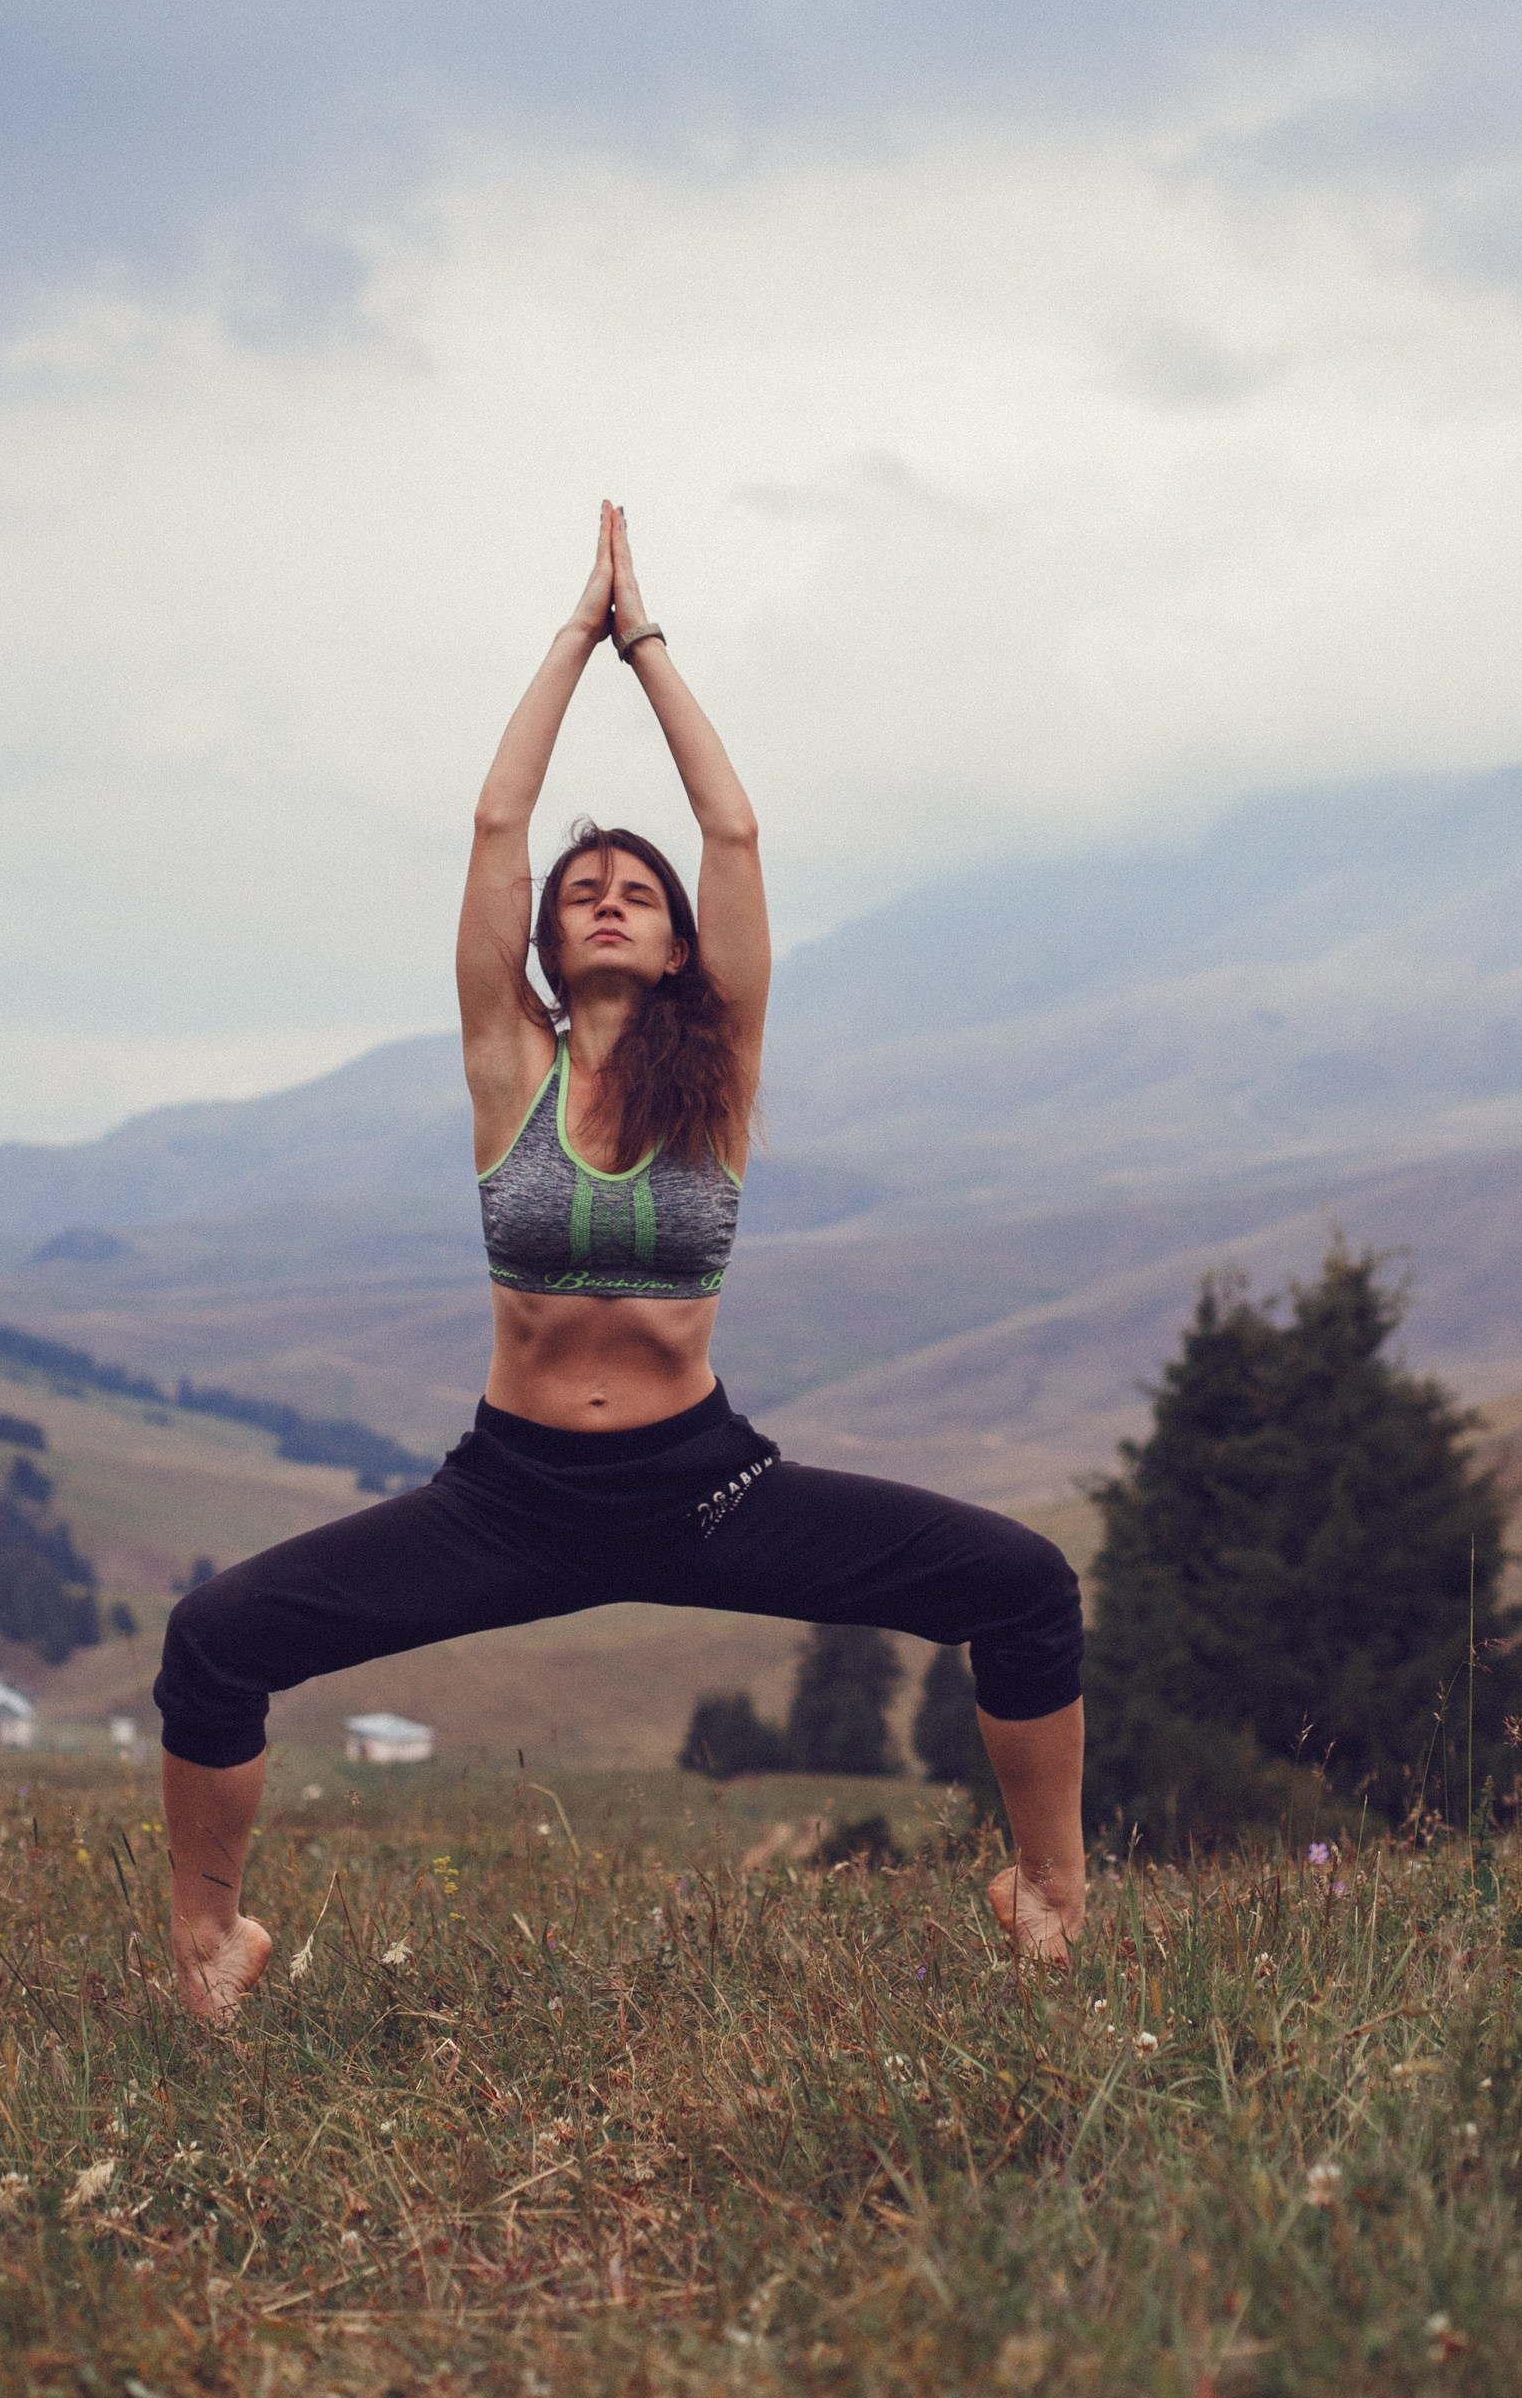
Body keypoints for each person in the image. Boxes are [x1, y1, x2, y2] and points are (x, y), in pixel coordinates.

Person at [155, 505, 1085, 2014]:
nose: (606, 894)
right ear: (546, 935)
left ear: (675, 952)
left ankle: (1049, 1895)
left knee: (1027, 1587)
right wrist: (564, 638)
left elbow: (733, 833)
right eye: (584, 887)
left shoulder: (716, 1070)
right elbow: (492, 829)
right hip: (510, 1497)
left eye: (634, 893)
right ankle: (209, 1942)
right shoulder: (502, 1061)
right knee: (213, 1642)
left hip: (704, 1489)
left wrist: (642, 642)